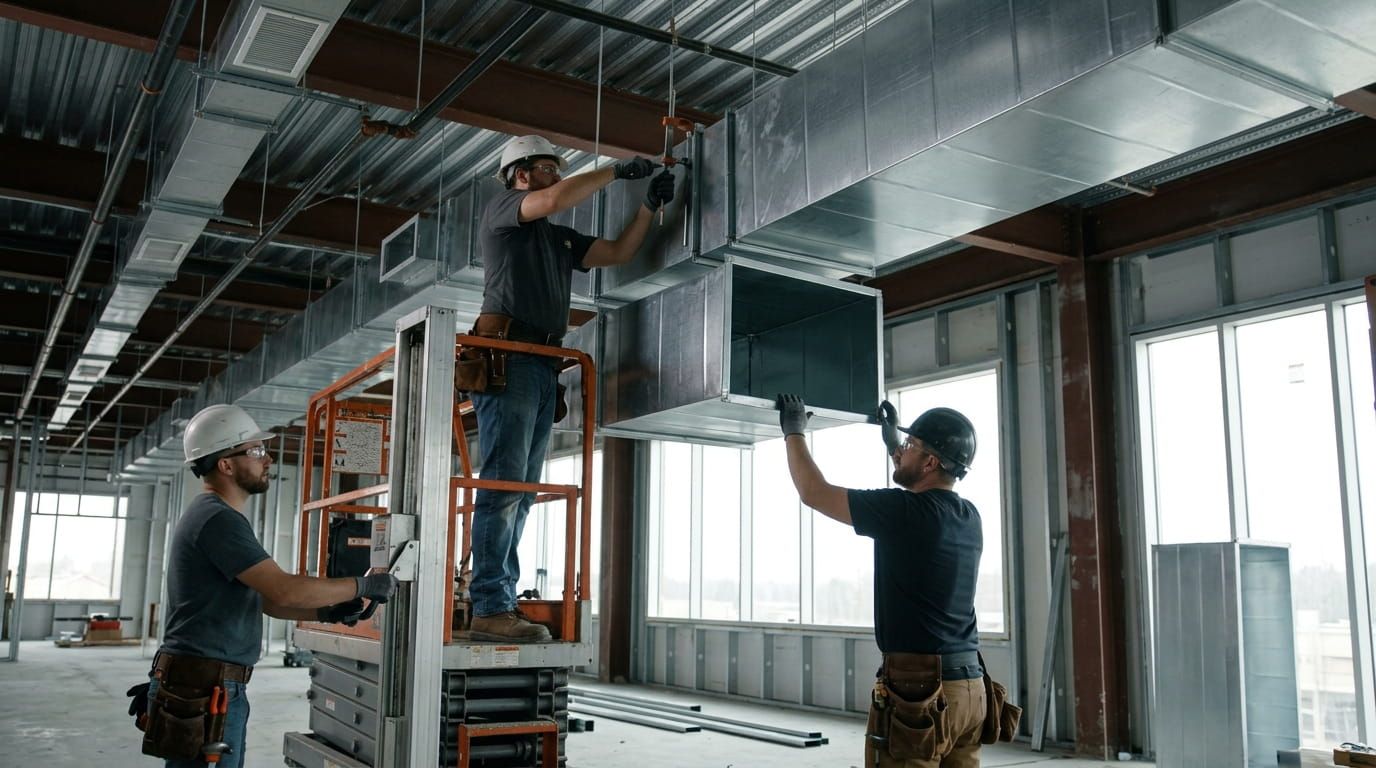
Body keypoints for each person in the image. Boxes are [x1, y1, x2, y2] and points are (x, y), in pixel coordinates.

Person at [466, 134, 674, 642]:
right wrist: (617, 170)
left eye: (558, 169)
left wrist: (649, 205)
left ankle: (501, 599)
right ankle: (490, 605)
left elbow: (620, 251)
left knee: (524, 490)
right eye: (547, 168)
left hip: (542, 363)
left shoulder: (557, 239)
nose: (556, 176)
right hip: (509, 356)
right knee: (505, 484)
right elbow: (556, 198)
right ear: (520, 175)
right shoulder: (504, 212)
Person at [140, 404, 398, 767]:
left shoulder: (217, 516)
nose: (268, 459)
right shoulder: (218, 520)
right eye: (256, 451)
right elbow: (283, 590)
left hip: (207, 685)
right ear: (225, 465)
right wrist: (363, 585)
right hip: (206, 689)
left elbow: (266, 601)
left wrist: (326, 610)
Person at [776, 394, 986, 767]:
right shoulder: (967, 515)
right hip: (969, 689)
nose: (902, 450)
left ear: (931, 462)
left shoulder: (905, 513)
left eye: (911, 446)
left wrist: (794, 432)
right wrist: (893, 442)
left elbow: (814, 493)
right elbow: (919, 487)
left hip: (920, 690)